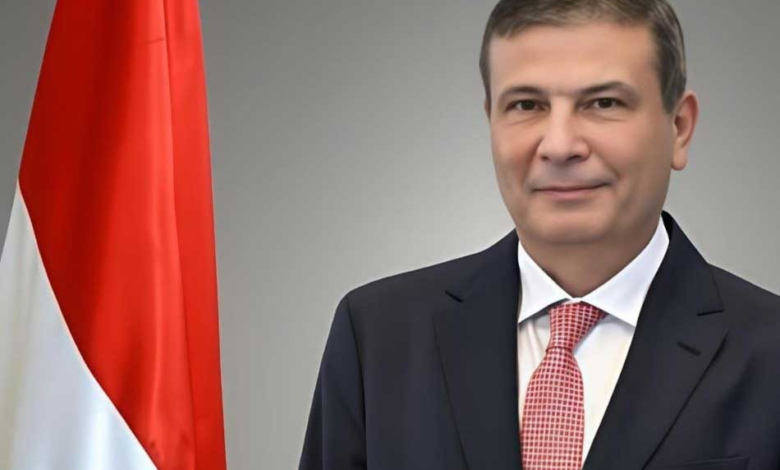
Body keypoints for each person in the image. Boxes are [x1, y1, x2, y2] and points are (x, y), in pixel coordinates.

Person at [298, 0, 780, 469]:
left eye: (603, 102)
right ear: (491, 120)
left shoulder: (769, 351)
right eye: (527, 105)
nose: (560, 145)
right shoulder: (377, 337)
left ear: (679, 128)